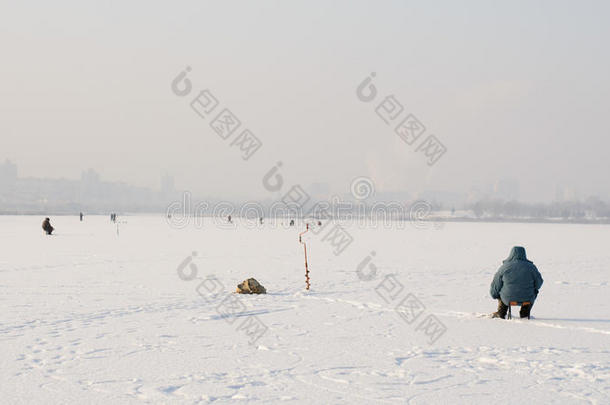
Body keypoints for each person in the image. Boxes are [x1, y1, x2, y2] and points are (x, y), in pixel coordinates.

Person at [490, 246, 543, 319]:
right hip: (527, 298)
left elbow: (496, 284)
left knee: (501, 291)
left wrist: (494, 295)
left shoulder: (504, 267)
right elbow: (539, 283)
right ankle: (525, 312)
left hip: (507, 299)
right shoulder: (531, 267)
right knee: (534, 291)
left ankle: (501, 312)